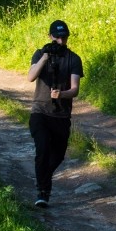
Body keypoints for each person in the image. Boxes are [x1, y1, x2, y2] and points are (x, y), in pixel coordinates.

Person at [27, 20, 84, 208]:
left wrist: (62, 94)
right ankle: (43, 192)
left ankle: (42, 176)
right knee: (42, 149)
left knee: (58, 155)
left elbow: (75, 89)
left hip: (61, 115)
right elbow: (30, 77)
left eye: (64, 37)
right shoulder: (39, 53)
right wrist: (44, 57)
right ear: (50, 36)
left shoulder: (73, 59)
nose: (60, 40)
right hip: (39, 112)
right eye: (57, 37)